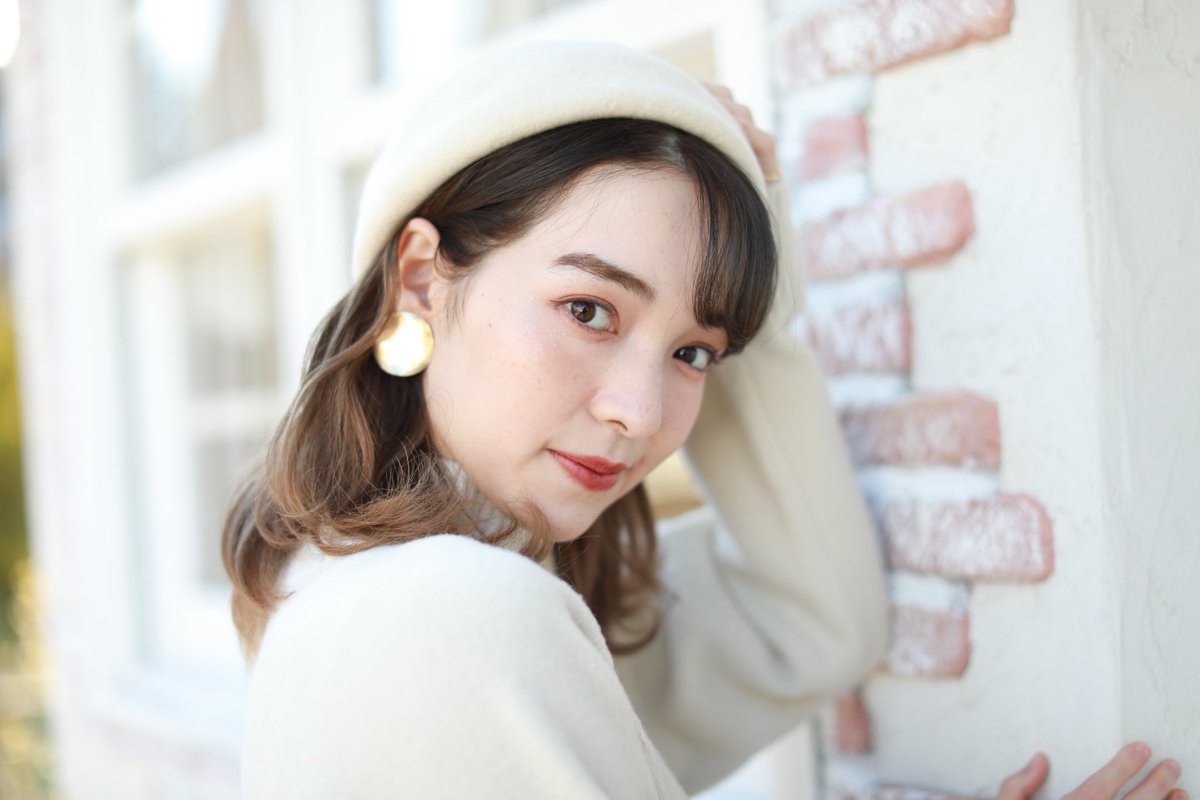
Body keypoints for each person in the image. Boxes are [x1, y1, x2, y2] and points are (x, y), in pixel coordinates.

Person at [221, 40, 1187, 799]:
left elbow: (810, 626)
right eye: (588, 310)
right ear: (421, 277)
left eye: (694, 354)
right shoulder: (460, 613)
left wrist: (739, 285)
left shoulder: (385, 582)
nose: (639, 415)